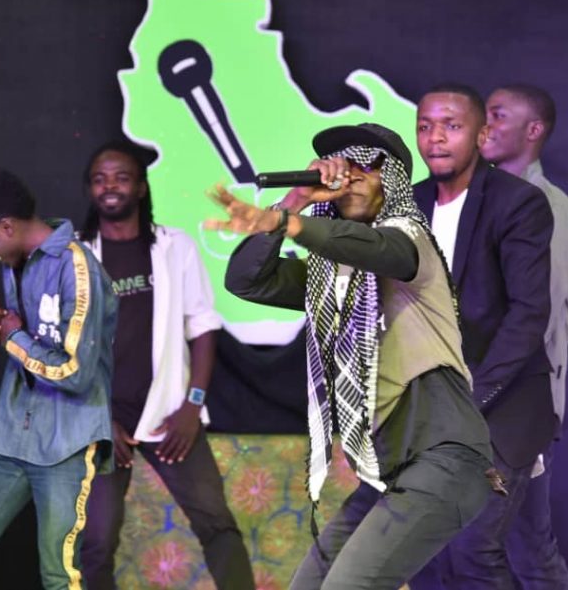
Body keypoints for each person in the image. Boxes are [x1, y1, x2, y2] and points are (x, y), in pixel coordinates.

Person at [210, 123, 499, 590]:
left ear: (395, 181)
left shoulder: (411, 240)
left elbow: (379, 249)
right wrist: (294, 201)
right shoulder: (333, 277)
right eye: (346, 164)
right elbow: (246, 280)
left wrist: (293, 225)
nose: (354, 174)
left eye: (370, 164)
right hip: (391, 473)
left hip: (444, 458)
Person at [78, 140, 255, 590]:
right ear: (90, 190)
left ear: (140, 187)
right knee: (95, 541)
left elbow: (203, 327)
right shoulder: (75, 258)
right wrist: (97, 419)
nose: (110, 186)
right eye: (99, 179)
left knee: (217, 524)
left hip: (171, 412)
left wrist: (192, 406)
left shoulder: (175, 247)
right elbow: (65, 348)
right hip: (102, 419)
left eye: (121, 178)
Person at [0, 168, 117, 590]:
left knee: (58, 574)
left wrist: (13, 338)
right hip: (9, 434)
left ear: (5, 227)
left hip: (67, 442)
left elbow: (75, 373)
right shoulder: (14, 259)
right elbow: (26, 338)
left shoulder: (78, 269)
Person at [408, 84, 556, 590]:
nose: (435, 137)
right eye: (425, 126)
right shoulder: (407, 206)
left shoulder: (518, 203)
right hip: (427, 412)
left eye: (451, 126)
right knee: (422, 555)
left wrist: (471, 397)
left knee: (473, 550)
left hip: (500, 407)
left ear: (482, 134)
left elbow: (529, 313)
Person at [483, 84, 568, 589]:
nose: (484, 125)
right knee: (525, 548)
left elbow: (535, 316)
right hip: (478, 401)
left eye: (498, 115)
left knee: (500, 548)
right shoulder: (476, 200)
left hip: (517, 405)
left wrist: (488, 390)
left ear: (534, 130)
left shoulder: (551, 210)